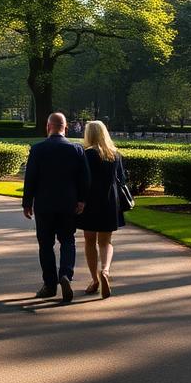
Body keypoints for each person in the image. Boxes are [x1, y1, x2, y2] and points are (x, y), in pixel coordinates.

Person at [22, 112, 91, 302]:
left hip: (44, 204)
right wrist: (82, 200)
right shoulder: (76, 150)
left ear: (48, 126)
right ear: (65, 128)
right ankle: (66, 275)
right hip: (68, 203)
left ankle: (49, 285)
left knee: (46, 245)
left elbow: (31, 179)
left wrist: (27, 203)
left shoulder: (37, 149)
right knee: (67, 241)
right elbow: (85, 178)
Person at [76, 120, 126, 299]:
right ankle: (105, 271)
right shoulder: (115, 154)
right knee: (106, 242)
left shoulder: (86, 154)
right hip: (110, 201)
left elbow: (80, 179)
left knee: (89, 241)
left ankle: (94, 280)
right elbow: (121, 179)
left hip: (90, 201)